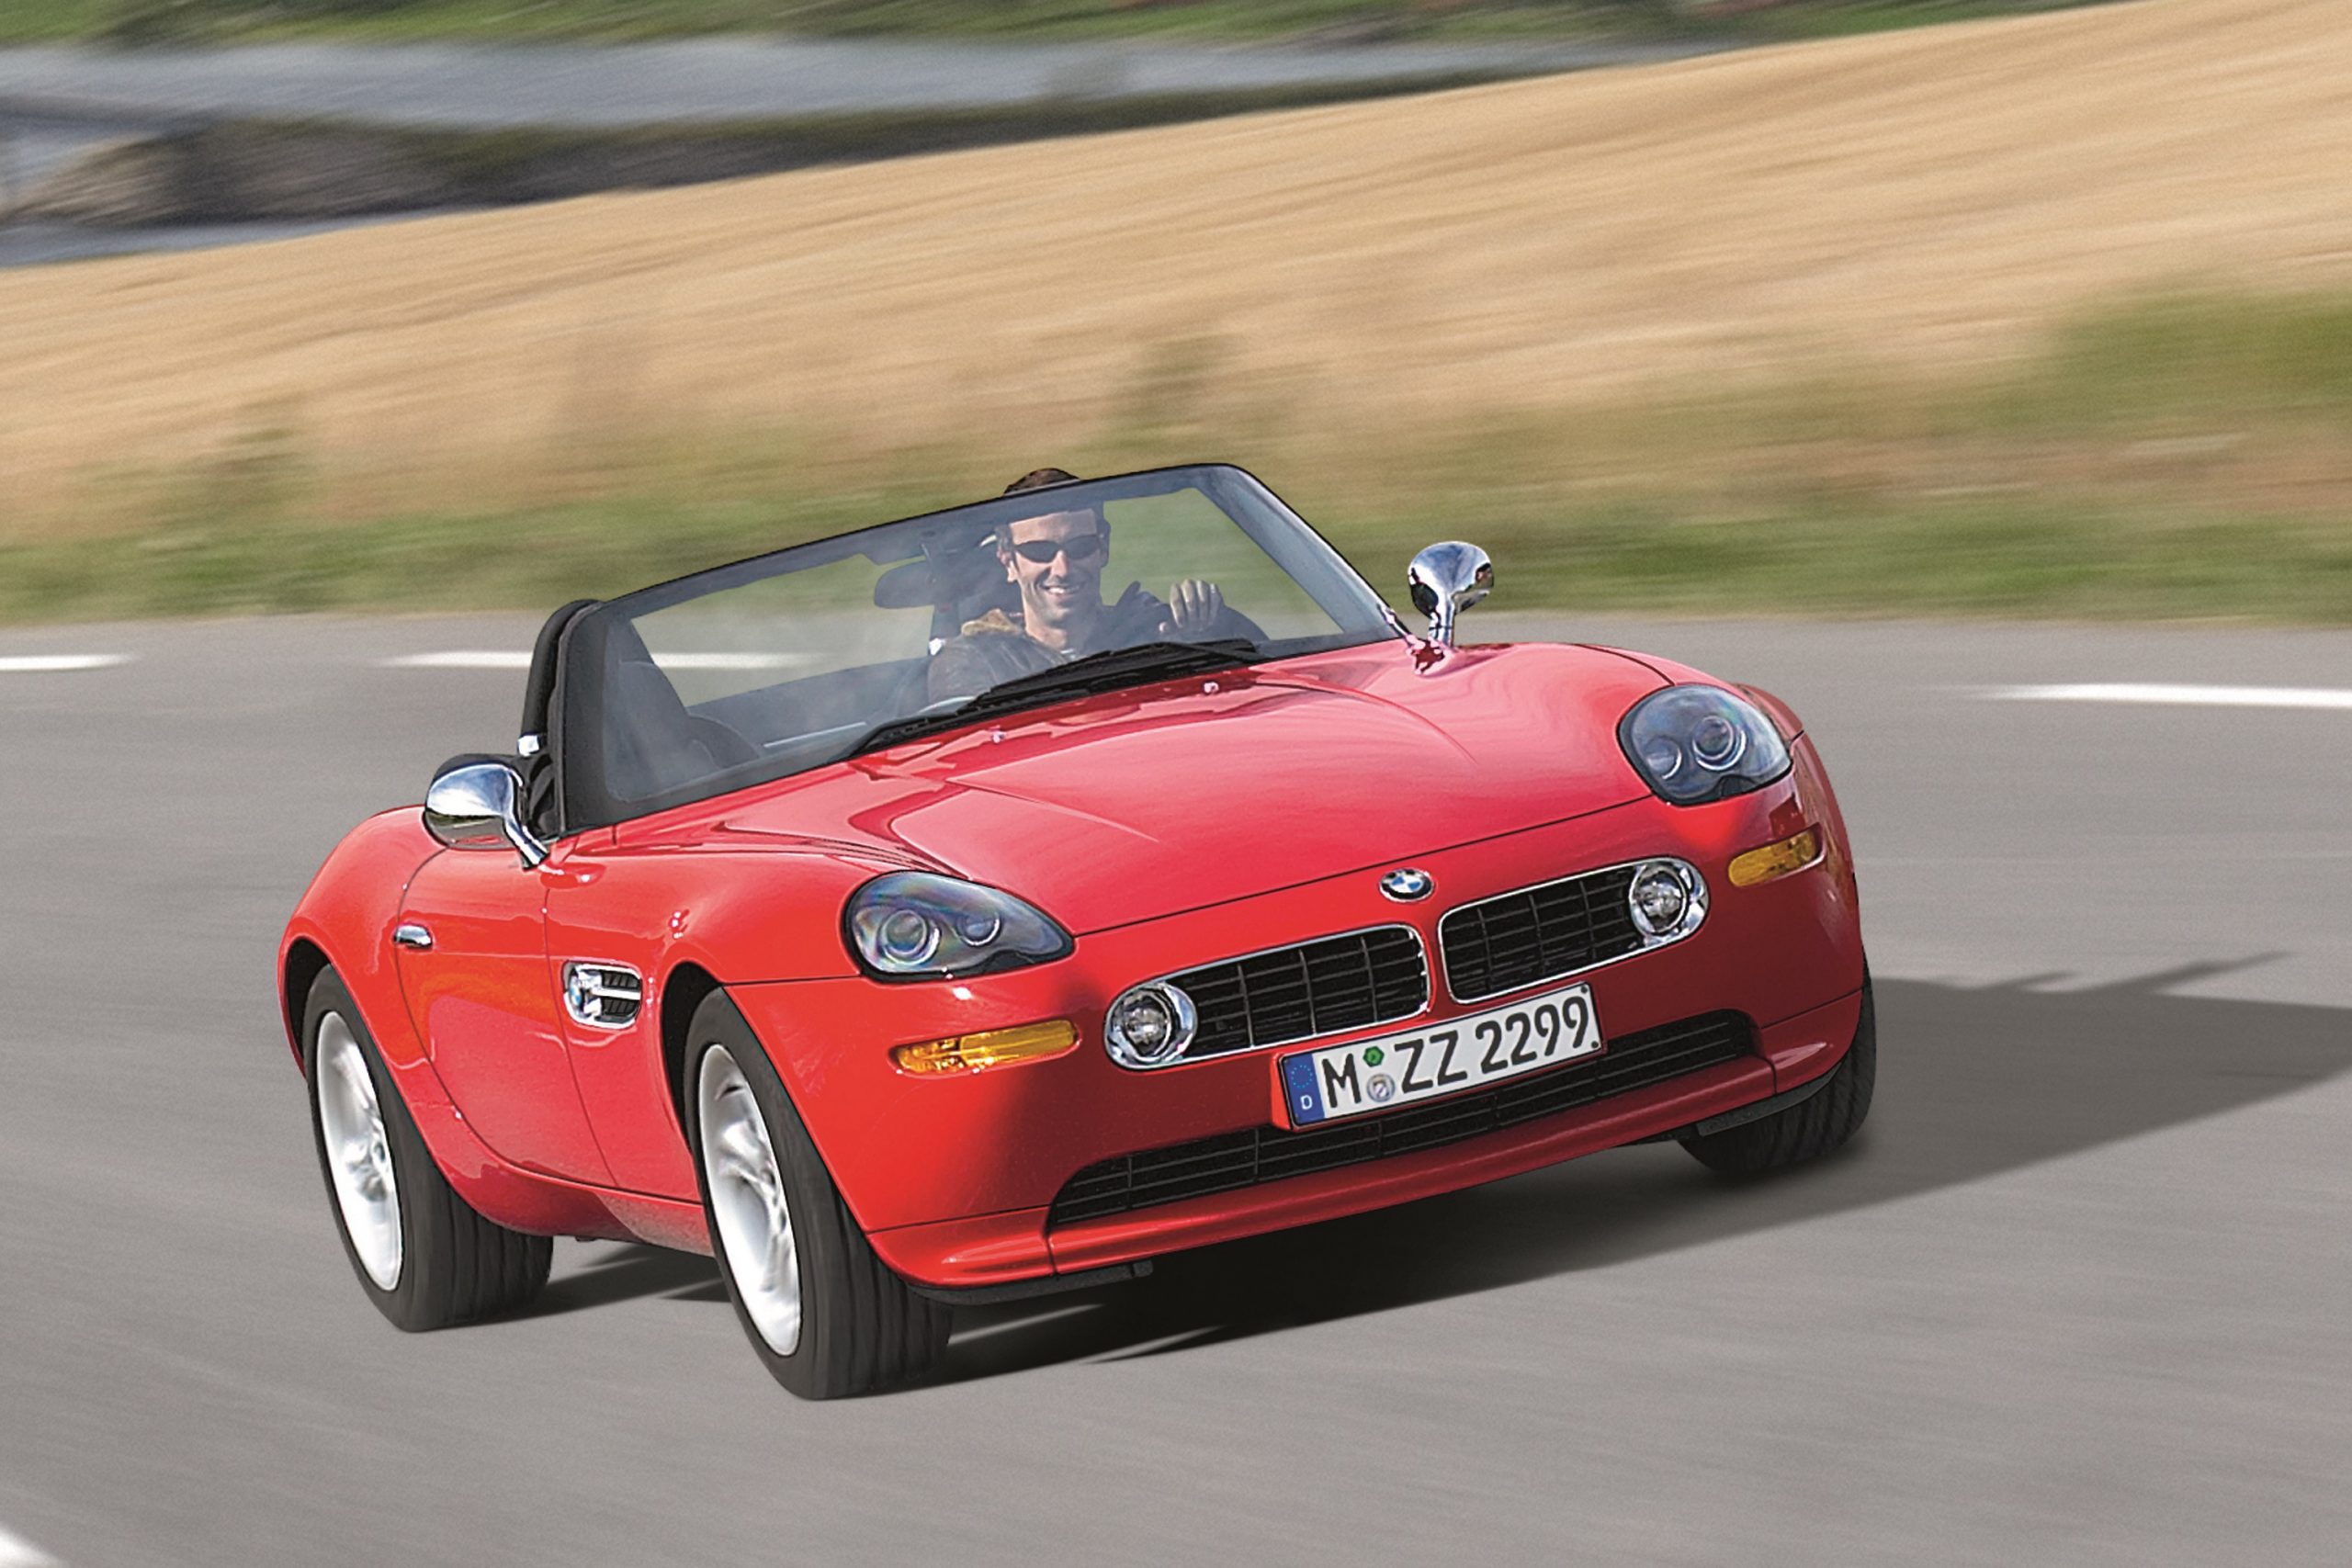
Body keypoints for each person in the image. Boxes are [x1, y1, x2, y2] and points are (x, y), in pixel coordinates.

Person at [925, 468, 1253, 702]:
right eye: (1039, 551)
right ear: (1008, 561)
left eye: (1080, 547)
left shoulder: (1158, 630)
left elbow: (1253, 691)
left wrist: (1206, 640)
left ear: (1104, 547)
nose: (1063, 568)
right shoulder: (972, 661)